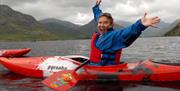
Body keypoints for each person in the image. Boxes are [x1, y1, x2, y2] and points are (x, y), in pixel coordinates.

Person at [89, 0, 160, 66]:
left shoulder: (113, 36)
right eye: (100, 22)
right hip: (94, 65)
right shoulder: (101, 33)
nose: (101, 25)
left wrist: (140, 25)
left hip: (103, 69)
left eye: (105, 23)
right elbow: (98, 15)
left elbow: (127, 33)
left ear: (111, 25)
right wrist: (96, 7)